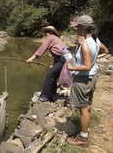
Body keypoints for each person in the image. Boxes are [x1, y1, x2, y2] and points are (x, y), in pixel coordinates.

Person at [67, 15, 109, 146]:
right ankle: (85, 131)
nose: (77, 29)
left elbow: (87, 66)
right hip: (91, 78)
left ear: (83, 28)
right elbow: (102, 53)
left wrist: (71, 67)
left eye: (78, 27)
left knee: (83, 109)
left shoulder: (85, 44)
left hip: (83, 79)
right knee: (86, 107)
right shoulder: (95, 41)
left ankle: (83, 139)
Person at [26, 26, 67, 102]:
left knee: (50, 75)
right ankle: (52, 94)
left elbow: (42, 48)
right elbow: (57, 53)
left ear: (52, 32)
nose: (46, 34)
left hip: (62, 59)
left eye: (48, 32)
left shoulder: (50, 38)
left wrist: (31, 58)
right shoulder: (56, 38)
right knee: (53, 76)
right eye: (46, 32)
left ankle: (45, 96)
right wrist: (54, 65)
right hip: (62, 59)